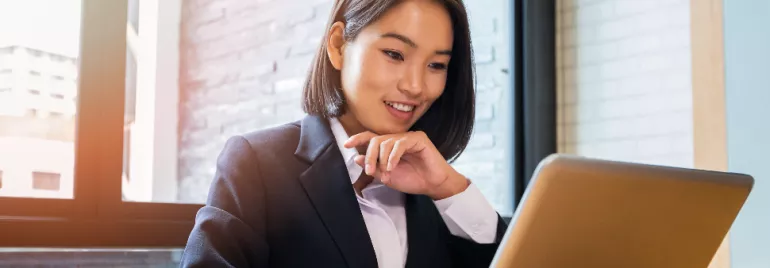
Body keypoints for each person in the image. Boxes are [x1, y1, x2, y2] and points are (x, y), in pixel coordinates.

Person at [179, 0, 507, 267]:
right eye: (394, 54)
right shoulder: (257, 165)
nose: (416, 86)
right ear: (338, 45)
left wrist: (447, 187)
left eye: (436, 65)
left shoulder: (442, 197)